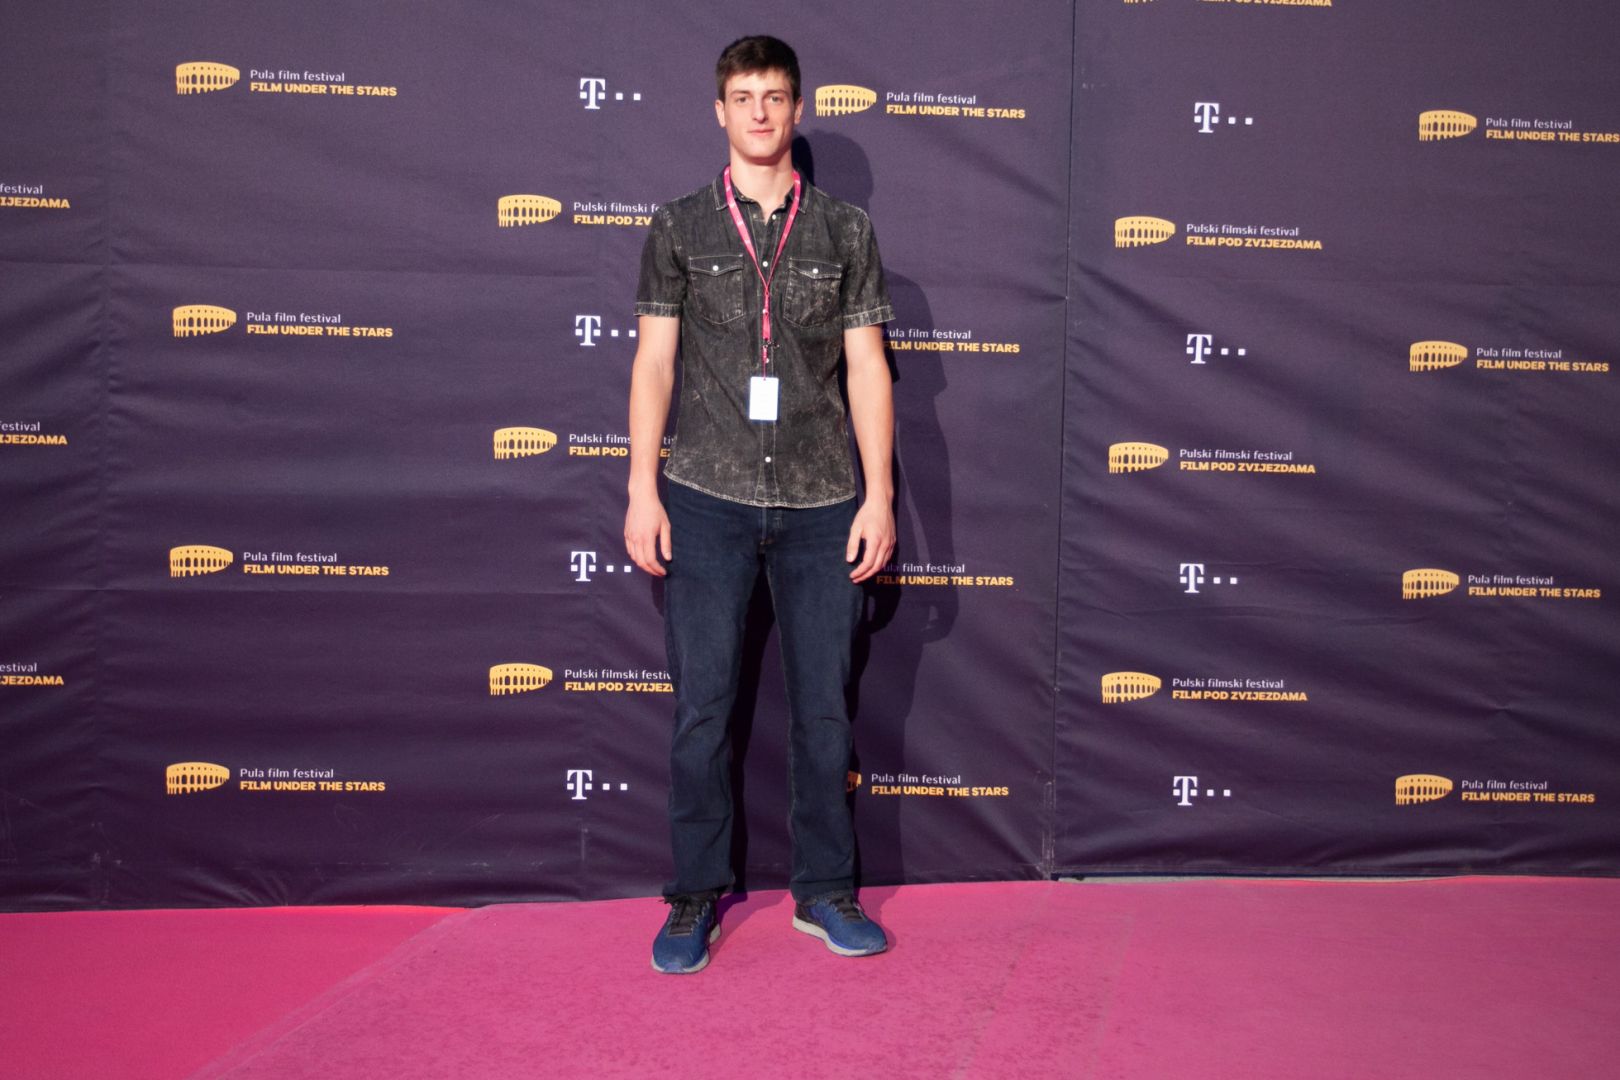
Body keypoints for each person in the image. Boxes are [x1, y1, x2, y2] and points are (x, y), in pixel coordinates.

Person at [625, 34, 896, 974]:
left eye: (775, 97)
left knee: (824, 713)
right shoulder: (678, 226)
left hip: (823, 502)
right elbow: (654, 364)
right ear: (720, 111)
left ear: (796, 108)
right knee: (703, 710)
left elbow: (868, 369)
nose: (760, 113)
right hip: (707, 496)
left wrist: (880, 496)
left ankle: (825, 892)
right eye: (743, 97)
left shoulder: (846, 231)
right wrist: (641, 488)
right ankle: (694, 896)